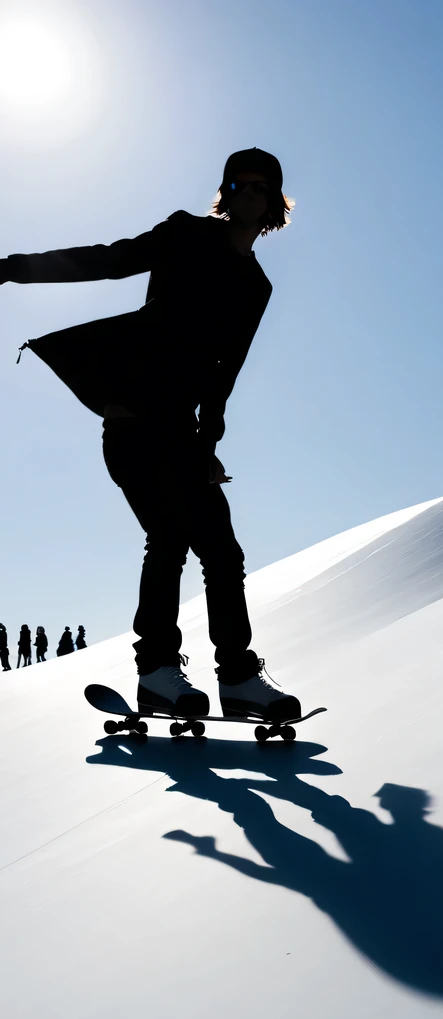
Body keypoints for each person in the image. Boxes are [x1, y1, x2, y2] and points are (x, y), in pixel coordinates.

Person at [0, 149, 300, 721]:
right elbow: (109, 261)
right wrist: (12, 267)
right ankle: (160, 671)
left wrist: (207, 446)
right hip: (135, 420)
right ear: (226, 191)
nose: (250, 194)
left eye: (263, 188)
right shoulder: (187, 235)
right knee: (170, 535)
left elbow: (223, 375)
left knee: (218, 549)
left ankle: (234, 679)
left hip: (181, 433)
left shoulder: (255, 287)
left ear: (274, 205)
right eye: (240, 183)